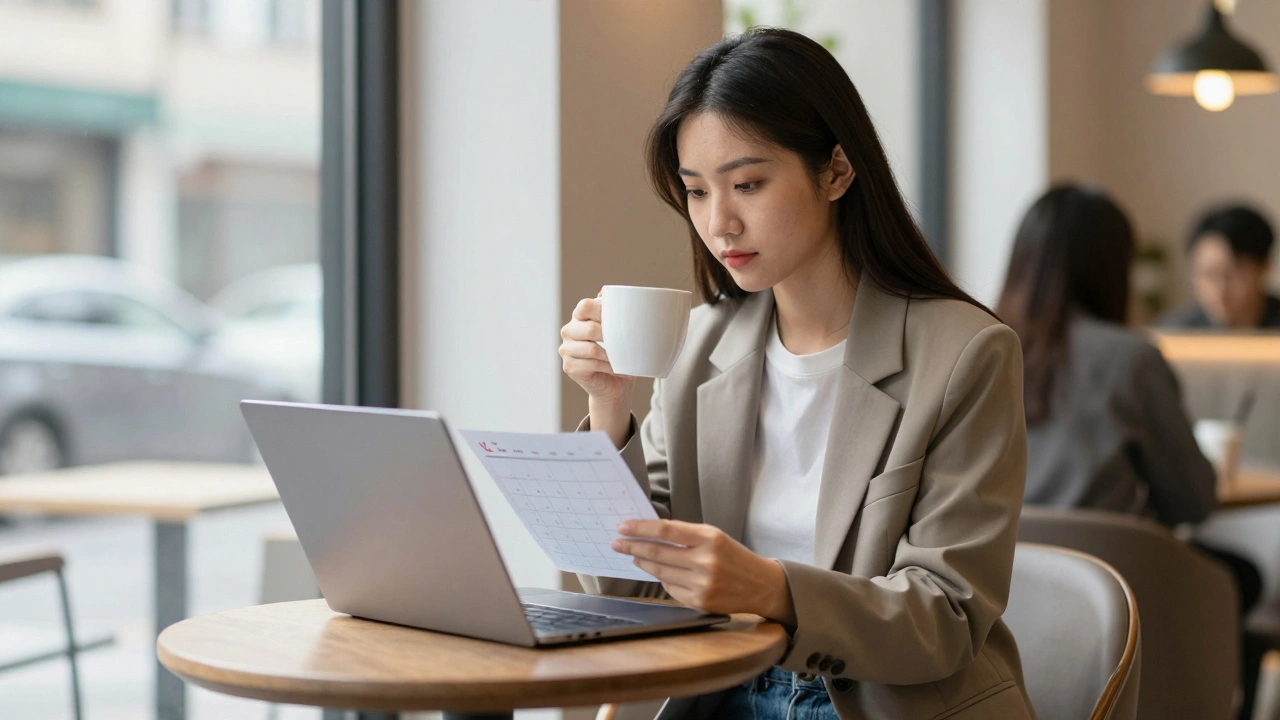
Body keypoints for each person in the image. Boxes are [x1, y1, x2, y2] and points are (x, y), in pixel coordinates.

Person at [559, 28, 1033, 720]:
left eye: (747, 183)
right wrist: (608, 410)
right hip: (721, 690)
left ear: (837, 171)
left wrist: (771, 590)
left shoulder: (967, 354)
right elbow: (626, 594)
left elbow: (946, 617)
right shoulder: (702, 347)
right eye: (696, 192)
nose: (720, 223)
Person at [998, 185, 1262, 718]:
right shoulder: (1131, 359)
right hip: (1119, 585)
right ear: (1110, 265)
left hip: (999, 587)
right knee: (1243, 579)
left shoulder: (979, 341)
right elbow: (1193, 501)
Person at [1161, 204, 1280, 329]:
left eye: (1233, 274)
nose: (1221, 290)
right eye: (1209, 274)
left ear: (1265, 265)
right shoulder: (1175, 332)